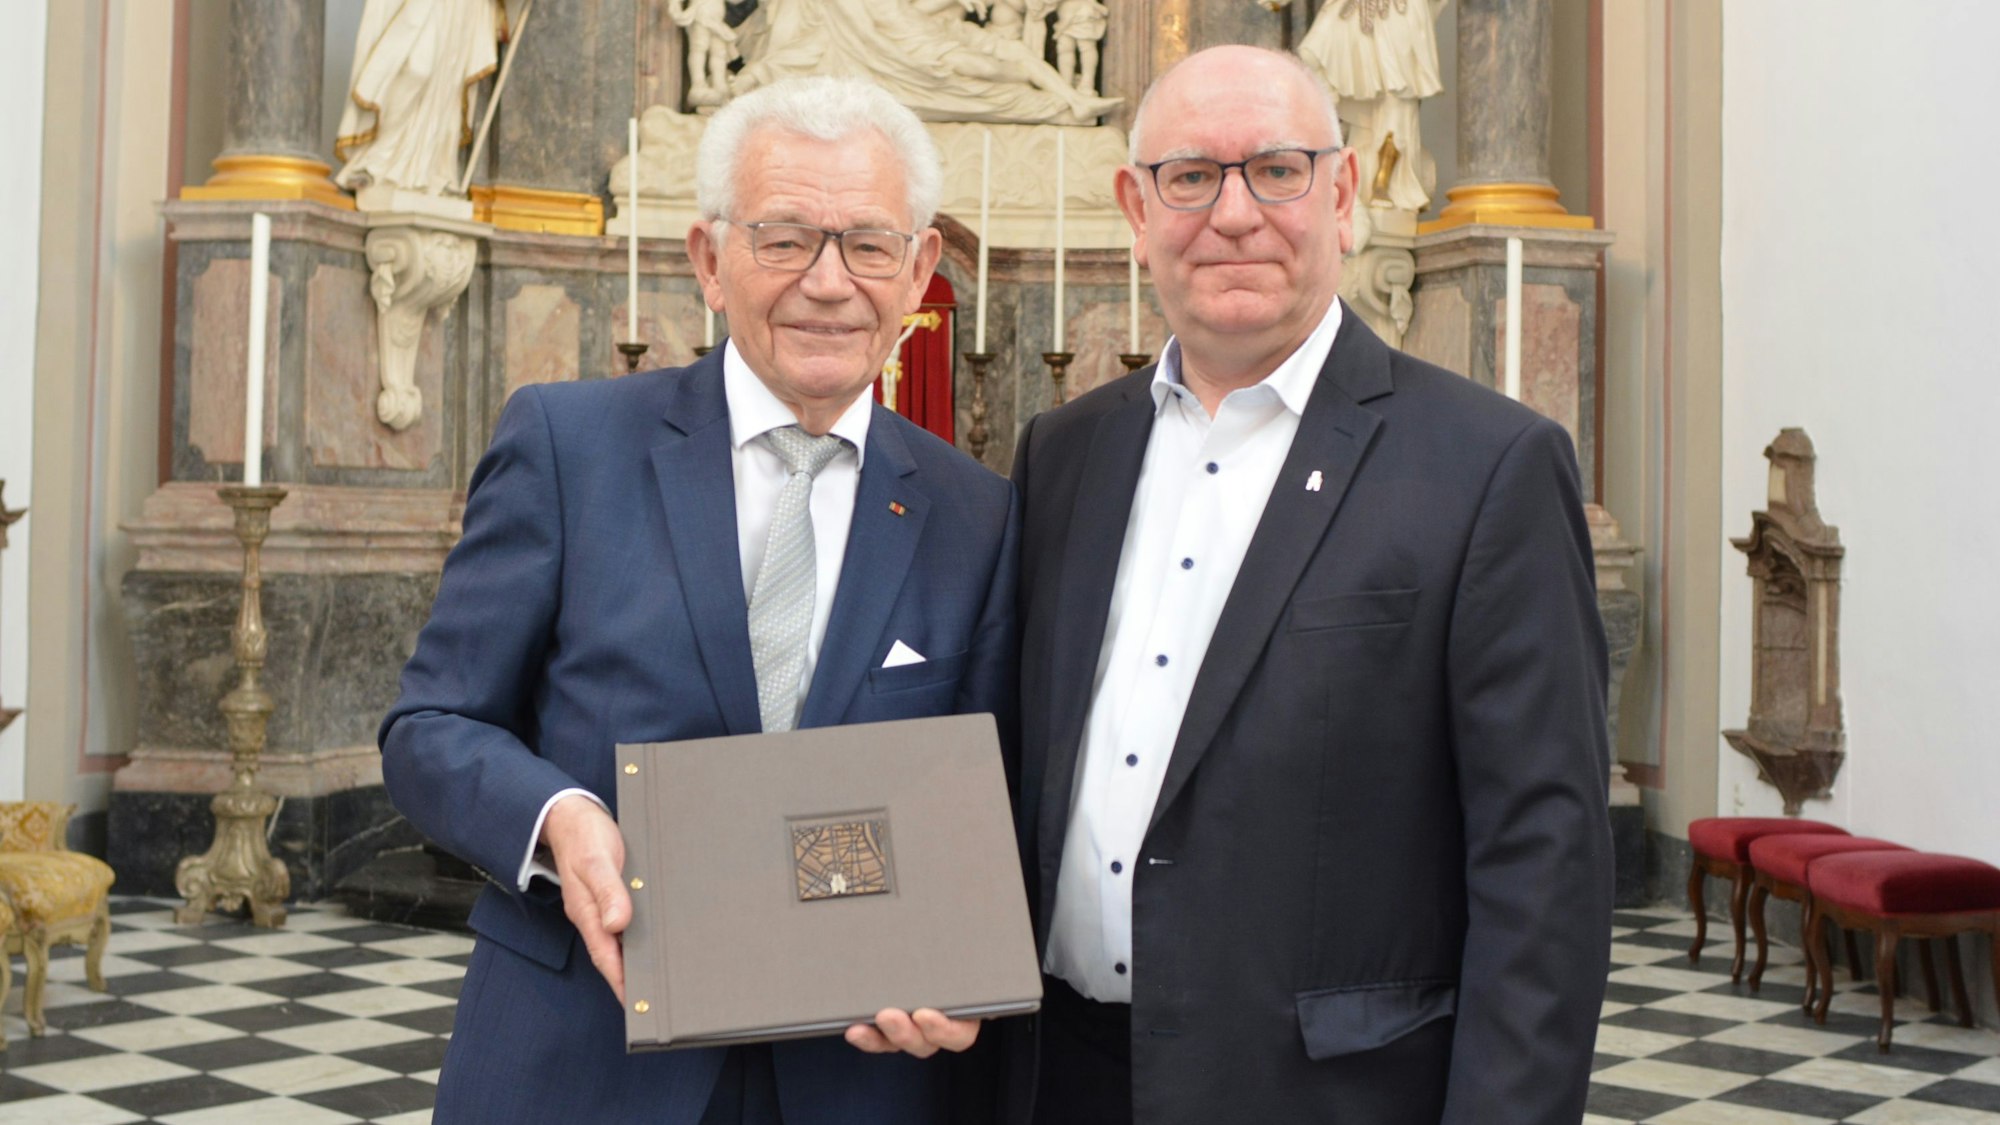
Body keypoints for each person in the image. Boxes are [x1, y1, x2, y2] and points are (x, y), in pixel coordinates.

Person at [380, 76, 1012, 1124]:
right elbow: (430, 727)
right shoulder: (565, 446)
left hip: (861, 1075)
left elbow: (988, 789)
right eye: (782, 240)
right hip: (584, 1058)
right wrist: (558, 820)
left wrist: (970, 970)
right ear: (709, 261)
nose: (827, 282)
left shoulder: (976, 513)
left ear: (917, 271)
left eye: (865, 243)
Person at [1006, 45, 1613, 1124]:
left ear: (1340, 195)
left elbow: (1542, 869)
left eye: (1275, 170)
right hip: (1061, 1076)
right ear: (1133, 207)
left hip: (1322, 1095)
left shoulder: (1485, 467)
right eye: (1189, 176)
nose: (1231, 213)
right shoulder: (1064, 452)